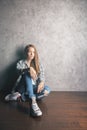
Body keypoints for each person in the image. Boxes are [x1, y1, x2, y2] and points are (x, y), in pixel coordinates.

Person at [11, 44, 51, 117]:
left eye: (34, 52)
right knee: (27, 73)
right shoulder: (20, 63)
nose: (32, 54)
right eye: (30, 52)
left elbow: (42, 76)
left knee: (47, 89)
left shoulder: (38, 64)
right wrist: (28, 69)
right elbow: (18, 71)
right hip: (22, 88)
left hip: (32, 88)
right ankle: (33, 102)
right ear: (26, 52)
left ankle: (22, 97)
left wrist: (42, 82)